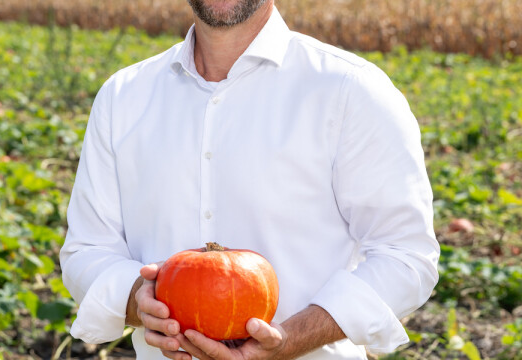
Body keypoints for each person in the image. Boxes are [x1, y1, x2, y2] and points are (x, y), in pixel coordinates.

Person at [59, 0, 440, 359]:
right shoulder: (123, 96)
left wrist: (293, 338)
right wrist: (138, 302)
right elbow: (87, 251)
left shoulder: (351, 89)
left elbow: (405, 256)